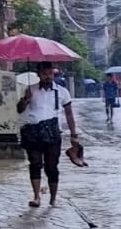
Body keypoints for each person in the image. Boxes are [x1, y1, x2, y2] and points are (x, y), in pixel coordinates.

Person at [16, 61, 79, 208]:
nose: (48, 76)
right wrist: (25, 100)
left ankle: (53, 198)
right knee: (35, 163)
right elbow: (19, 109)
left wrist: (74, 135)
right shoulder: (30, 90)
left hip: (52, 133)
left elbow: (69, 114)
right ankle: (36, 197)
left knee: (52, 166)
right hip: (33, 132)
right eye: (44, 74)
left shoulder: (62, 92)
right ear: (38, 74)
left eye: (50, 73)